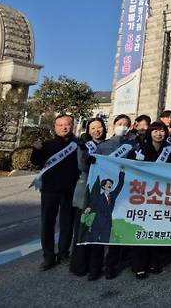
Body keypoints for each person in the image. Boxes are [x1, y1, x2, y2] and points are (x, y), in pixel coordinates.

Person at [87, 114, 137, 279]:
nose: (122, 126)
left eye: (126, 124)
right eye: (119, 123)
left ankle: (110, 266)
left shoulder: (134, 145)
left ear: (130, 127)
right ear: (114, 125)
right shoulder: (104, 146)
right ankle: (95, 267)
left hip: (124, 194)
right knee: (98, 232)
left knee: (115, 232)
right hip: (104, 192)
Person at [30, 115, 80, 271]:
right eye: (60, 125)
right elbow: (36, 162)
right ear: (55, 127)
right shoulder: (46, 145)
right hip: (49, 191)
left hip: (70, 190)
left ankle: (64, 252)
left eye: (67, 124)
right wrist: (36, 150)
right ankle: (48, 256)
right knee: (47, 223)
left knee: (67, 223)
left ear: (72, 126)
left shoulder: (79, 144)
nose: (64, 127)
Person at [129, 122, 171, 279]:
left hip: (161, 194)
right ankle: (139, 265)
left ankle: (154, 261)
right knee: (140, 228)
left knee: (155, 227)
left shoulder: (169, 149)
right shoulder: (141, 147)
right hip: (142, 194)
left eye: (162, 131)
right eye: (155, 131)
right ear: (150, 133)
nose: (159, 134)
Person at [70, 117, 107, 279]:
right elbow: (81, 167)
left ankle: (95, 268)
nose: (96, 130)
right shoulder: (84, 146)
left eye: (99, 127)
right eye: (93, 128)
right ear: (88, 130)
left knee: (98, 232)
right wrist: (86, 158)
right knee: (82, 230)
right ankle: (79, 266)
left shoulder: (110, 146)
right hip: (85, 193)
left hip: (102, 194)